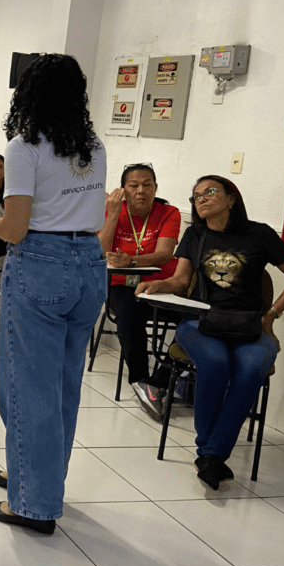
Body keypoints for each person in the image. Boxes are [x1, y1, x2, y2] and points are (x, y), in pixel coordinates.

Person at [0, 54, 107, 535]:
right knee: (61, 386)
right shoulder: (92, 144)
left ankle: (31, 504)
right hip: (90, 265)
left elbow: (14, 228)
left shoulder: (24, 146)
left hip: (42, 265)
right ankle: (38, 478)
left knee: (25, 386)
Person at [137, 176, 284, 489]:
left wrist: (272, 315)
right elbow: (180, 281)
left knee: (252, 367)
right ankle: (210, 453)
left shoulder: (259, 234)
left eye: (210, 191)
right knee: (216, 363)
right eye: (197, 195)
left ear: (231, 198)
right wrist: (160, 285)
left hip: (250, 325)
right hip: (199, 322)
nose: (201, 198)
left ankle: (211, 454)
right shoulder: (195, 234)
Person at [97, 163, 181, 418]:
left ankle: (158, 382)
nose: (141, 191)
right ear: (123, 190)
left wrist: (132, 260)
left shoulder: (169, 212)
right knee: (130, 314)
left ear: (156, 188)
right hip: (122, 284)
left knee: (195, 320)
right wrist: (112, 214)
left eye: (148, 185)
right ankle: (141, 379)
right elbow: (101, 251)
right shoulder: (112, 210)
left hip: (161, 284)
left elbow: (165, 254)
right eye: (133, 186)